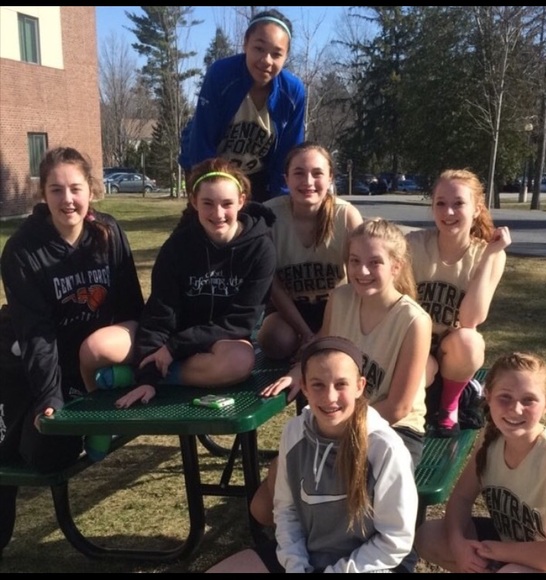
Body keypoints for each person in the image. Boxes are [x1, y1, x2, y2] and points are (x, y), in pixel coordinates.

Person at [252, 219, 431, 573]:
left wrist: (336, 427)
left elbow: (398, 406)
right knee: (263, 502)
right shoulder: (341, 297)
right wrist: (296, 374)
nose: (362, 271)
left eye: (375, 262)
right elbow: (323, 345)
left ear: (396, 267)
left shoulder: (414, 320)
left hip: (392, 427)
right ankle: (297, 549)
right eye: (354, 261)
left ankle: (380, 558)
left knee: (349, 482)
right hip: (334, 417)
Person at [0, 146, 144, 552]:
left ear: (91, 190)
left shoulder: (109, 233)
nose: (67, 199)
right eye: (56, 190)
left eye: (76, 188)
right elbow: (36, 335)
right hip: (22, 368)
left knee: (52, 449)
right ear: (43, 194)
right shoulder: (23, 250)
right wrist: (50, 398)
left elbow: (132, 309)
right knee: (22, 452)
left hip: (81, 370)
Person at [206, 335, 418, 573]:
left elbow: (395, 540)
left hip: (370, 564)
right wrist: (296, 566)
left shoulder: (385, 448)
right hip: (309, 557)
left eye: (341, 384)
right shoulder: (294, 433)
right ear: (304, 387)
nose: (330, 397)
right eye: (318, 385)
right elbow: (287, 511)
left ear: (360, 386)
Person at [114, 157, 277, 409]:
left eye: (227, 203)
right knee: (98, 349)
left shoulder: (260, 249)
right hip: (176, 338)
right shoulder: (177, 247)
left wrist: (173, 349)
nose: (218, 214)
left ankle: (156, 374)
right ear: (193, 201)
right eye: (208, 203)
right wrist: (147, 379)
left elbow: (240, 321)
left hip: (221, 341)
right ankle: (146, 371)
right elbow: (160, 312)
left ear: (241, 201)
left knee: (239, 361)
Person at [415, 351, 546, 573]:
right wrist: (459, 545)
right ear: (488, 395)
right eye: (505, 397)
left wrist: (493, 550)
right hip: (509, 544)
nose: (516, 409)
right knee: (430, 535)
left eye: (529, 400)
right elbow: (462, 498)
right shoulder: (490, 437)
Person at [406, 168, 512, 437]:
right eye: (440, 203)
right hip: (415, 346)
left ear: (477, 209)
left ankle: (449, 406)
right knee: (417, 377)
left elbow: (470, 320)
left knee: (470, 340)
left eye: (458, 204)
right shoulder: (413, 245)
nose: (448, 212)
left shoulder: (489, 253)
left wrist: (489, 256)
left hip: (452, 353)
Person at [179, 9, 306, 203]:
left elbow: (289, 155)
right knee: (212, 218)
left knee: (264, 219)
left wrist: (282, 201)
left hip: (256, 175)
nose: (266, 60)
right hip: (207, 164)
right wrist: (209, 189)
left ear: (286, 56)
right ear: (245, 44)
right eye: (259, 48)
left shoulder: (293, 92)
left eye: (276, 54)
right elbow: (202, 141)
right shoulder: (221, 75)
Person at [257, 141, 363, 361]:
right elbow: (271, 284)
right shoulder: (268, 216)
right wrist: (306, 334)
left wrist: (323, 334)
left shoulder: (346, 215)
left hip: (335, 307)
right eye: (299, 173)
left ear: (330, 178)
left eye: (317, 173)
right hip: (288, 308)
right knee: (275, 340)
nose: (308, 182)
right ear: (286, 179)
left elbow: (360, 278)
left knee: (339, 349)